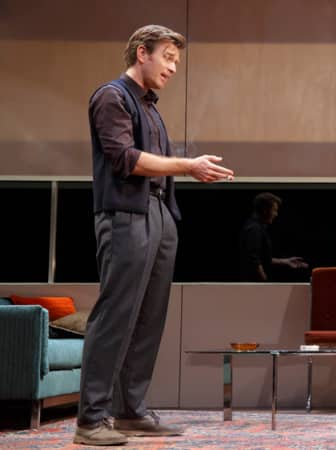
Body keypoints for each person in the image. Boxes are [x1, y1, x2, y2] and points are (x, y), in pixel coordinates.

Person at [75, 25, 235, 446]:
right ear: (142, 53)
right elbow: (123, 159)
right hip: (126, 215)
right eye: (168, 57)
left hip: (160, 214)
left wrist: (178, 181)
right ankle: (91, 420)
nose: (173, 67)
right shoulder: (112, 96)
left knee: (149, 319)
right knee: (117, 316)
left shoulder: (150, 107)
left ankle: (130, 411)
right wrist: (186, 165)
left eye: (176, 61)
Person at [239, 192, 308, 281]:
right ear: (265, 210)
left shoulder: (256, 226)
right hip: (254, 286)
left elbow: (263, 258)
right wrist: (264, 282)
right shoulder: (254, 229)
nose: (276, 214)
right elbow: (253, 260)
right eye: (274, 210)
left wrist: (285, 261)